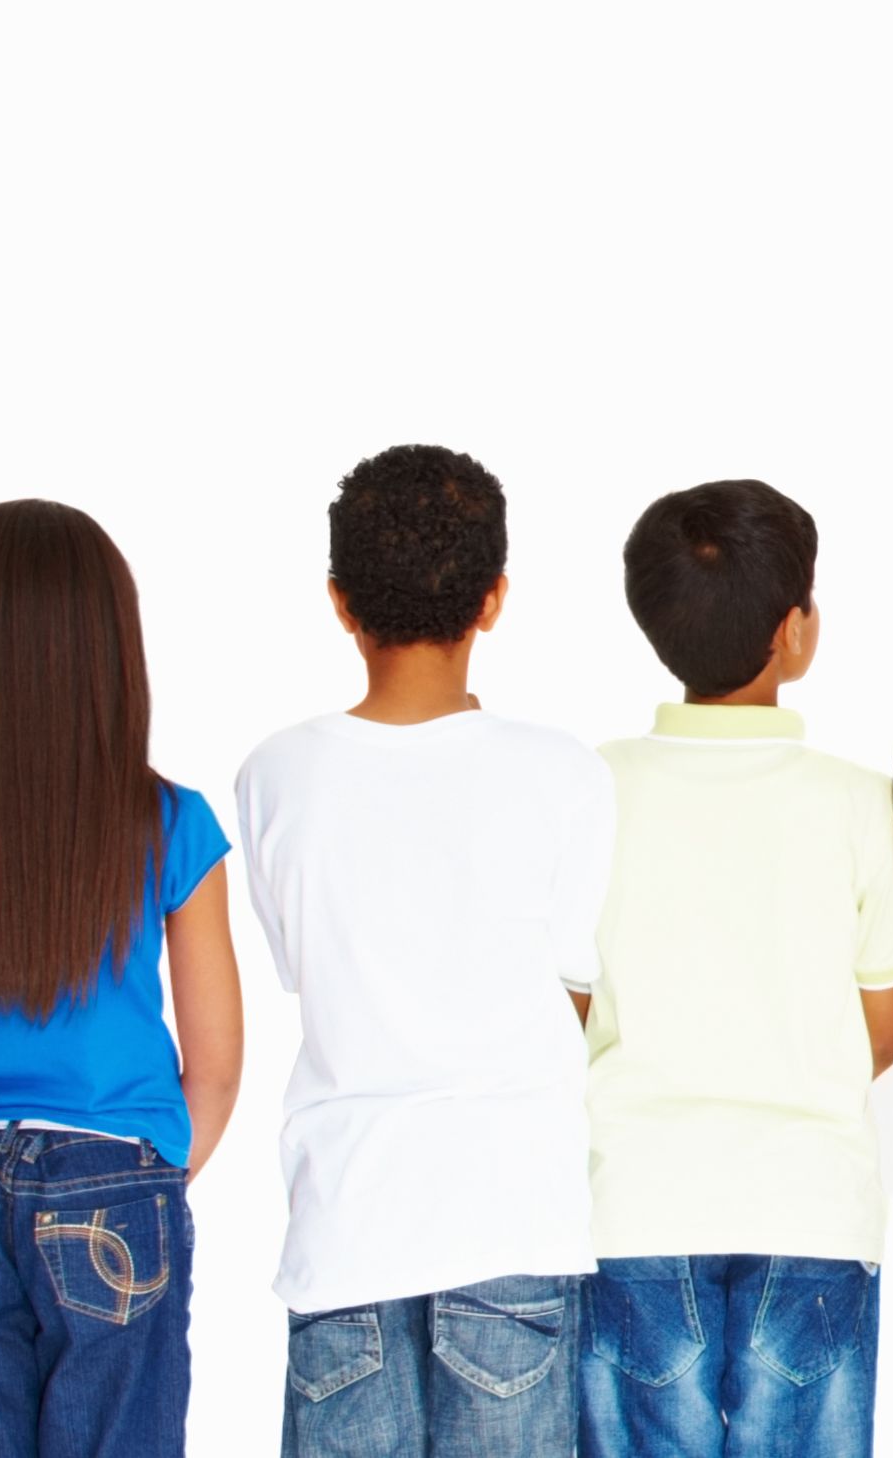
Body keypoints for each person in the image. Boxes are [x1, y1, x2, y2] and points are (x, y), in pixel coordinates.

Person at [235, 445, 621, 1457]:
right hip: (510, 1220)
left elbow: (302, 967)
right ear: (493, 598)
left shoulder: (275, 776)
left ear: (337, 600)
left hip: (345, 1231)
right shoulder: (564, 774)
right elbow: (574, 995)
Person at [0, 498, 245, 1458]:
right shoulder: (170, 824)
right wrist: (142, 1176)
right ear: (111, 652)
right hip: (118, 1175)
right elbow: (219, 1066)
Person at [583, 478, 893, 1458]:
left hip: (632, 1203)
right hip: (811, 1207)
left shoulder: (594, 789)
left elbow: (559, 1008)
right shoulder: (862, 801)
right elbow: (886, 1027)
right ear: (795, 630)